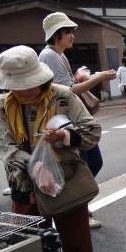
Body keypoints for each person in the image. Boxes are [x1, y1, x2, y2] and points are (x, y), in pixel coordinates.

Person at [0, 45, 101, 252]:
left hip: (66, 180)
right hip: (24, 184)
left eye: (29, 83)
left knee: (77, 242)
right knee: (31, 248)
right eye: (18, 85)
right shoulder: (0, 105)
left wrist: (65, 135)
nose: (25, 91)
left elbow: (91, 131)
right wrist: (34, 164)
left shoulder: (62, 97)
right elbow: (4, 146)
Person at [38, 12, 115, 230]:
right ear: (56, 34)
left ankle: (77, 207)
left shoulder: (56, 55)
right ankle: (76, 210)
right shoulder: (51, 55)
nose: (72, 35)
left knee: (90, 163)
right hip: (63, 122)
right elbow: (68, 91)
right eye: (68, 32)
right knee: (83, 165)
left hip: (68, 121)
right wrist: (98, 78)